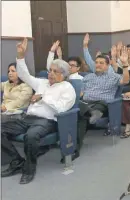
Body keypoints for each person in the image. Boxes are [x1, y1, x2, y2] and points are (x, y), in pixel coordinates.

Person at [1, 38, 76, 184]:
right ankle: (16, 161)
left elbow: (61, 108)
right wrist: (21, 57)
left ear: (64, 75)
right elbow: (24, 76)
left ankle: (29, 169)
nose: (51, 74)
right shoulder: (42, 82)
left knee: (31, 136)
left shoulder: (67, 88)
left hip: (47, 121)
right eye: (50, 71)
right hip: (27, 118)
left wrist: (43, 96)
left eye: (55, 72)